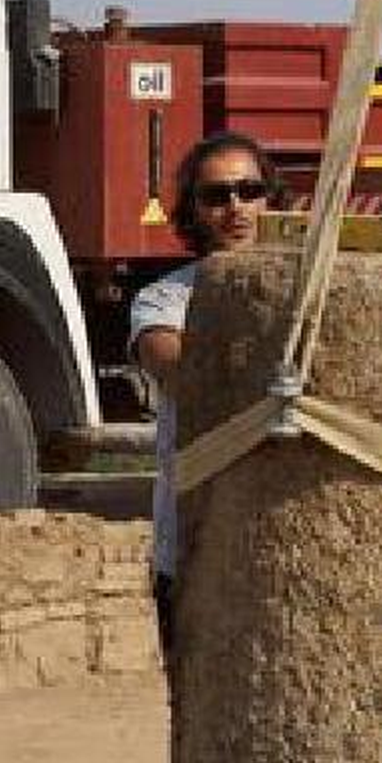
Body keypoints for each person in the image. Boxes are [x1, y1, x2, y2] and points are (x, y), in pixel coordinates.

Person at [130, 131, 283, 660]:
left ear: (271, 199)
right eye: (217, 196)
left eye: (249, 191)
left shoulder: (314, 290)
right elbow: (179, 372)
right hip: (195, 548)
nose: (235, 207)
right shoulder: (165, 299)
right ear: (194, 211)